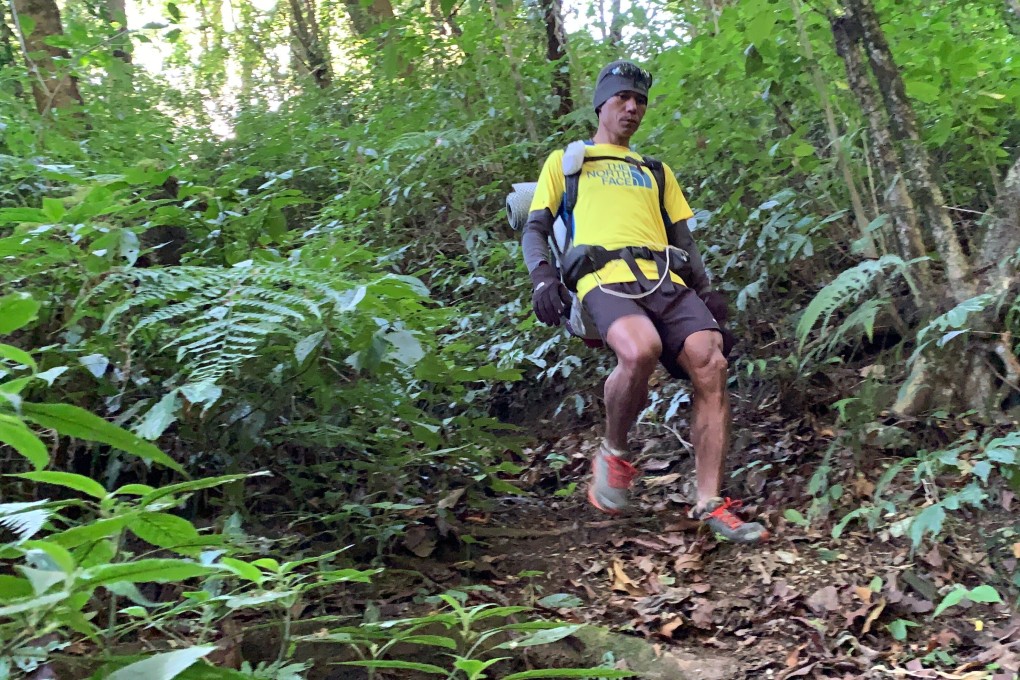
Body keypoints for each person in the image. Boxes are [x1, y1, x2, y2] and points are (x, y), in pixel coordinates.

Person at [521, 60, 769, 544]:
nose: (632, 108)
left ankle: (711, 502)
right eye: (622, 99)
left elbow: (683, 239)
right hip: (602, 277)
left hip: (665, 280)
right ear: (601, 104)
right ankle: (613, 454)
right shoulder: (569, 161)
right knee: (639, 350)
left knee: (710, 361)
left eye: (640, 102)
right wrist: (541, 278)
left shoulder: (656, 171)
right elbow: (536, 227)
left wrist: (707, 291)